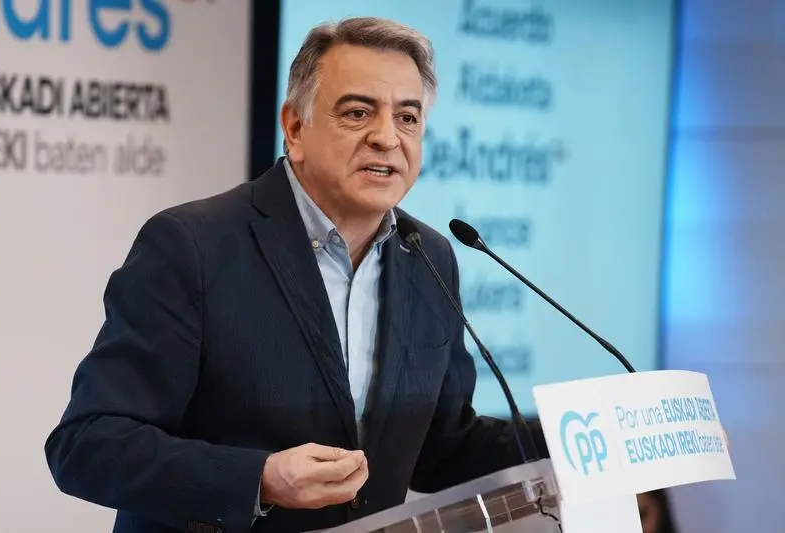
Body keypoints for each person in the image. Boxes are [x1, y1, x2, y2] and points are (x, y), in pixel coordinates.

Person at [44, 17, 524, 533]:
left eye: (407, 118)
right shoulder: (192, 246)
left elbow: (439, 447)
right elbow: (87, 444)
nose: (387, 138)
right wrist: (259, 479)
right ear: (295, 129)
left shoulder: (428, 256)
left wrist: (571, 438)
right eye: (357, 113)